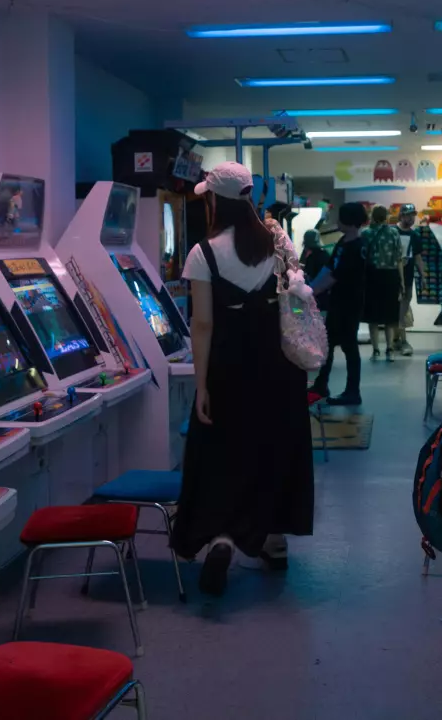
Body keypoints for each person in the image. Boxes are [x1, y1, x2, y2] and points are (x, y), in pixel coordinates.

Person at [170, 161, 313, 597]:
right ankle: (273, 540)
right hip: (279, 366)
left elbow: (203, 325)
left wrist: (202, 385)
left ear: (214, 199)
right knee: (272, 449)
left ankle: (223, 538)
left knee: (223, 453)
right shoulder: (279, 242)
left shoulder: (203, 253)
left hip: (230, 366)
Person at [309, 202, 368, 405]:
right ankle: (322, 383)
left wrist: (312, 291)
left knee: (349, 346)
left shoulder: (357, 247)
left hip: (349, 303)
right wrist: (311, 288)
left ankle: (352, 391)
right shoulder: (344, 242)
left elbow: (335, 275)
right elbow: (329, 268)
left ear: (350, 221)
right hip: (338, 302)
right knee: (328, 343)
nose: (336, 222)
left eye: (340, 218)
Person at [362, 205, 404, 362]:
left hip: (372, 277)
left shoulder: (366, 233)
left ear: (372, 216)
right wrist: (402, 282)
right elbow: (399, 258)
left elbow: (362, 258)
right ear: (386, 216)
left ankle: (375, 350)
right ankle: (390, 349)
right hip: (391, 276)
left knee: (373, 317)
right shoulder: (393, 232)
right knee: (390, 317)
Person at [393, 206, 425, 356]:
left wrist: (423, 276)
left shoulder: (415, 235)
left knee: (403, 308)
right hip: (392, 276)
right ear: (401, 216)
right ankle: (401, 340)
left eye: (413, 215)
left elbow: (418, 257)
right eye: (408, 215)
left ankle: (397, 340)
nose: (411, 219)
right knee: (396, 309)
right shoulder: (392, 232)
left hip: (408, 276)